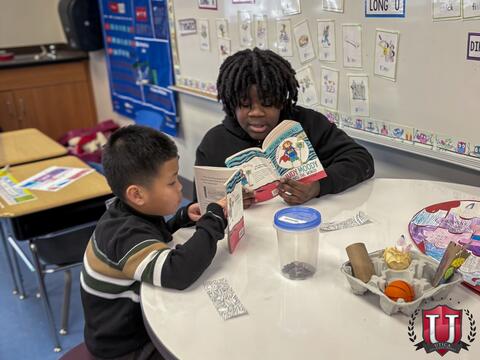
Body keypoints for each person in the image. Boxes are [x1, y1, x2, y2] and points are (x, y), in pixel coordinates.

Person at [81, 125, 227, 360]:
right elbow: (177, 272)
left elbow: (151, 245)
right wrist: (214, 219)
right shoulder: (124, 234)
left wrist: (181, 218)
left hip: (131, 326)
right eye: (171, 183)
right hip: (125, 347)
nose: (180, 187)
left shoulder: (129, 212)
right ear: (137, 195)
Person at [195, 48, 374, 207]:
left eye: (267, 103)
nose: (256, 113)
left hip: (309, 227)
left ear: (282, 101)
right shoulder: (213, 144)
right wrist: (228, 203)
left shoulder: (308, 123)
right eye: (245, 104)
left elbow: (361, 159)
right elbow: (199, 210)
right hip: (250, 238)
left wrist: (318, 186)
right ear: (231, 104)